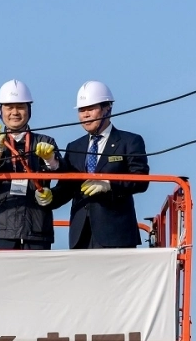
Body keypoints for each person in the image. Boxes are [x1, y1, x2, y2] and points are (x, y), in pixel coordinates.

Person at [50, 80, 149, 248]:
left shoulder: (129, 141)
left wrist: (109, 185)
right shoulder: (74, 147)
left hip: (116, 234)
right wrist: (49, 197)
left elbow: (140, 180)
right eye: (82, 110)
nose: (85, 115)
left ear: (107, 108)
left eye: (91, 109)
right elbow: (66, 188)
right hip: (81, 236)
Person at [0, 80, 61, 250]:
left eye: (20, 107)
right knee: (0, 276)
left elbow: (60, 171)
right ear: (0, 112)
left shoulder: (45, 141)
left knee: (39, 276)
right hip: (0, 226)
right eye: (9, 107)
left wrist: (50, 159)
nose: (15, 112)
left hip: (37, 226)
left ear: (29, 110)